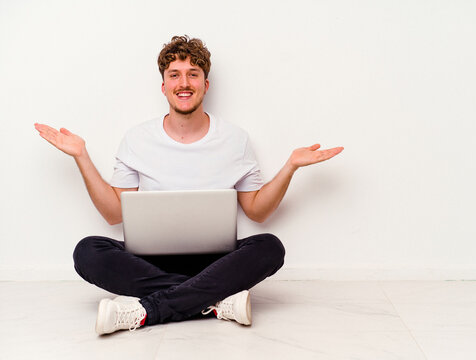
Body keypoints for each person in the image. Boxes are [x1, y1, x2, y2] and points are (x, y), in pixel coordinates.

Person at [34, 35, 344, 335]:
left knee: (269, 248)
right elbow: (114, 214)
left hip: (215, 261)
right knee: (88, 251)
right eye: (175, 75)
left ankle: (145, 311)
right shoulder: (137, 138)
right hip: (151, 261)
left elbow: (257, 211)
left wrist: (290, 166)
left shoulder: (235, 139)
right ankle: (214, 301)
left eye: (193, 74)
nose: (184, 83)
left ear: (205, 85)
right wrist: (81, 156)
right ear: (164, 85)